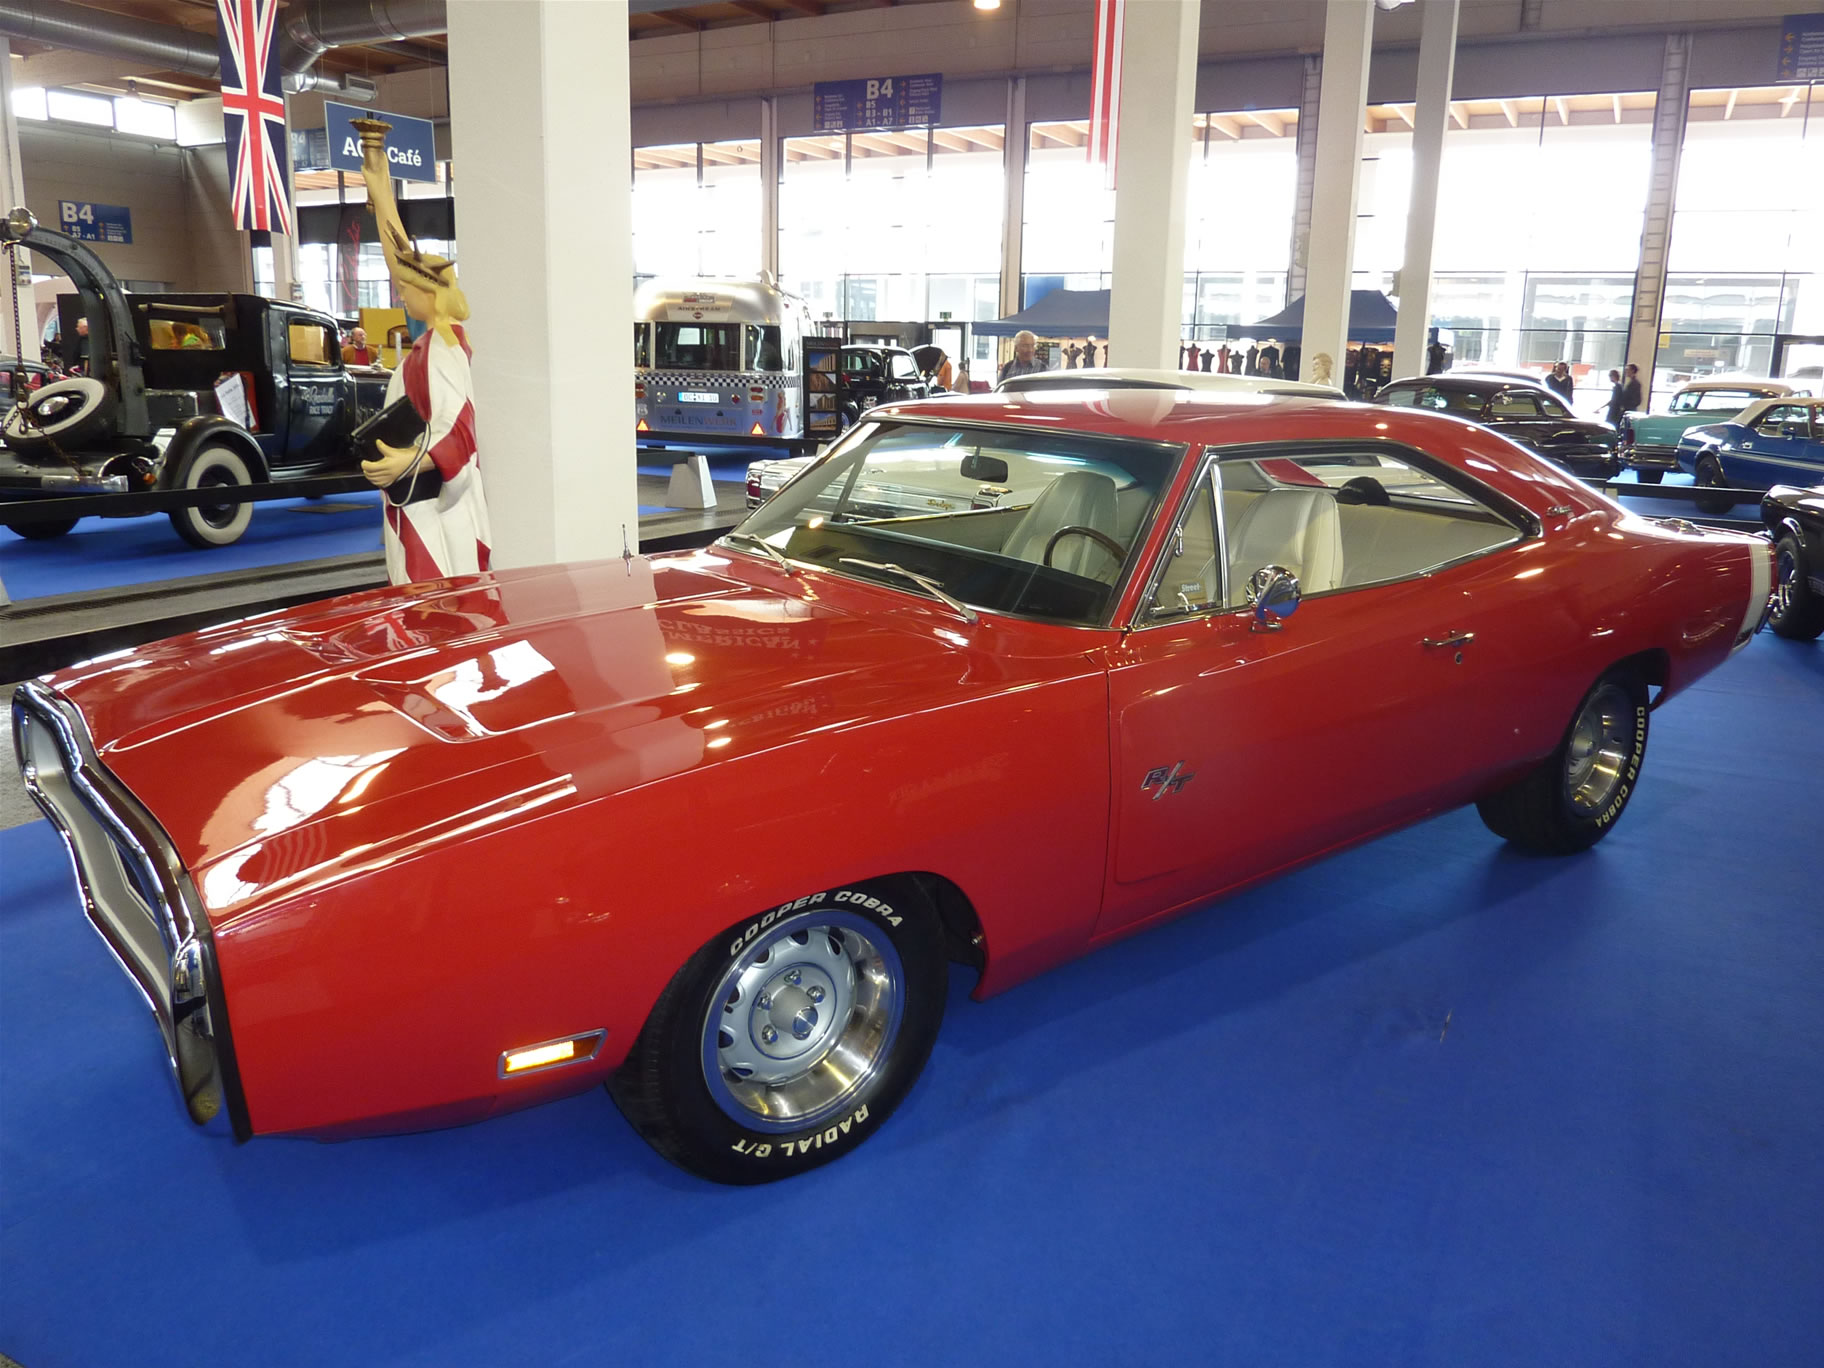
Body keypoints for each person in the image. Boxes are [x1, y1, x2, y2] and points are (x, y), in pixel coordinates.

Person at [356, 119, 491, 585]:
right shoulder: (435, 341)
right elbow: (401, 257)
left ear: (427, 296)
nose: (399, 291)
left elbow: (460, 424)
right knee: (429, 595)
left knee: (439, 596)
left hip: (433, 504)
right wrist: (380, 188)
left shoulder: (442, 348)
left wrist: (410, 461)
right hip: (421, 498)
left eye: (406, 289)